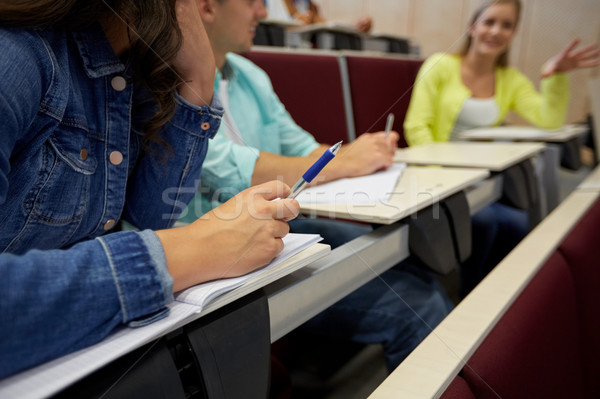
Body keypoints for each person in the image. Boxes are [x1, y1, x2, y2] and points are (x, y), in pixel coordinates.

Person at [0, 0, 299, 379]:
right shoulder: (16, 57)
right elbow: (161, 240)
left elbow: (148, 218)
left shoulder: (130, 71)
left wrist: (199, 83)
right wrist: (195, 249)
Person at [184, 0, 453, 372]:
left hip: (277, 229)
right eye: (252, 3)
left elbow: (302, 148)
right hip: (216, 255)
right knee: (420, 305)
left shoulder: (249, 74)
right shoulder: (167, 78)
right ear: (208, 7)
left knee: (412, 262)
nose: (263, 14)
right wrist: (346, 161)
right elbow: (227, 169)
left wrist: (363, 152)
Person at [404, 0, 600, 294]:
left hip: (485, 178)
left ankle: (494, 297)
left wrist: (554, 76)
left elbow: (549, 120)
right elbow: (416, 127)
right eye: (489, 22)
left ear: (513, 33)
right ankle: (467, 296)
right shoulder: (440, 65)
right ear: (473, 27)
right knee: (487, 223)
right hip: (439, 177)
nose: (496, 31)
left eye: (506, 25)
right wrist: (445, 174)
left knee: (516, 222)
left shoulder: (510, 79)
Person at [266, 0, 372, 33]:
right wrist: (293, 23)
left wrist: (356, 26)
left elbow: (326, 24)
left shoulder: (308, 5)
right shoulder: (268, 3)